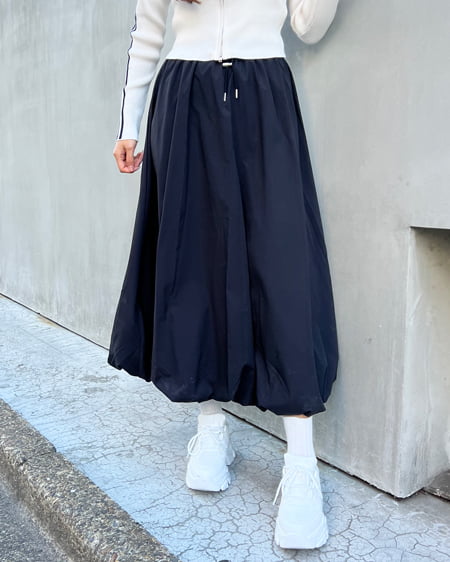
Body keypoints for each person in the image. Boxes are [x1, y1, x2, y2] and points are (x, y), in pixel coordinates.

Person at [108, 0, 340, 550]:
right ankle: (210, 430)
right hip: (184, 98)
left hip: (263, 93)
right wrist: (130, 123)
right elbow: (148, 32)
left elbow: (308, 25)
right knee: (194, 265)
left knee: (284, 270)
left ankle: (301, 464)